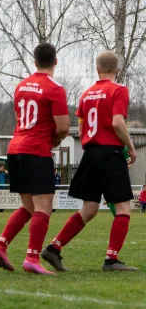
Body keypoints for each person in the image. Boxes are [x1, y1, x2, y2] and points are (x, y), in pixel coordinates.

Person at [41, 51, 138, 272]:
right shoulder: (119, 90)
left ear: (97, 69)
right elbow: (117, 123)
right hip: (110, 153)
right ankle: (111, 260)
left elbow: (82, 129)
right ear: (118, 70)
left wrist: (91, 148)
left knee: (89, 209)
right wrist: (131, 148)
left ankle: (54, 248)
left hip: (91, 153)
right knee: (123, 208)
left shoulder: (86, 95)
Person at [0, 42, 70, 275]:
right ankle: (32, 258)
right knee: (44, 207)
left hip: (15, 148)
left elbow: (18, 116)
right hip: (36, 150)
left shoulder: (21, 86)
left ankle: (0, 245)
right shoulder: (55, 88)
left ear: (34, 62)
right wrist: (54, 139)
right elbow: (64, 126)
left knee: (27, 206)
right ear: (55, 61)